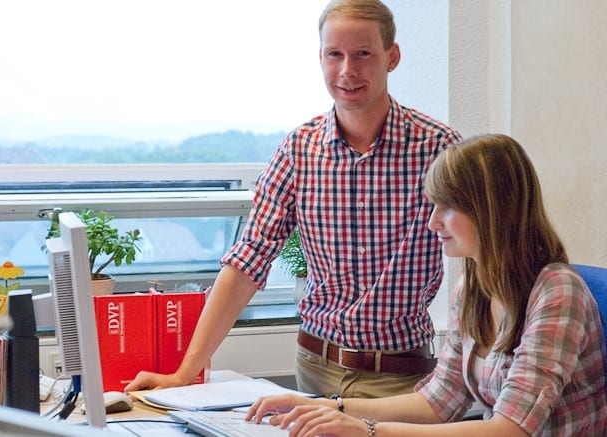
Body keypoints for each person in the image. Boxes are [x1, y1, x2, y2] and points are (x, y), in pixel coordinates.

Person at [125, 0, 462, 398]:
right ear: (320, 58)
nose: (347, 71)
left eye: (363, 54)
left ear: (393, 57)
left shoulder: (439, 148)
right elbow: (248, 261)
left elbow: (486, 256)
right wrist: (184, 373)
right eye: (334, 54)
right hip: (316, 372)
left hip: (406, 377)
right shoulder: (300, 150)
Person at [245, 134, 607, 436]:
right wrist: (328, 406)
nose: (433, 222)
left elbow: (510, 430)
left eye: (447, 207)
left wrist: (369, 430)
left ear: (493, 210)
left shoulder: (558, 293)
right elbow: (440, 400)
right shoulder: (473, 286)